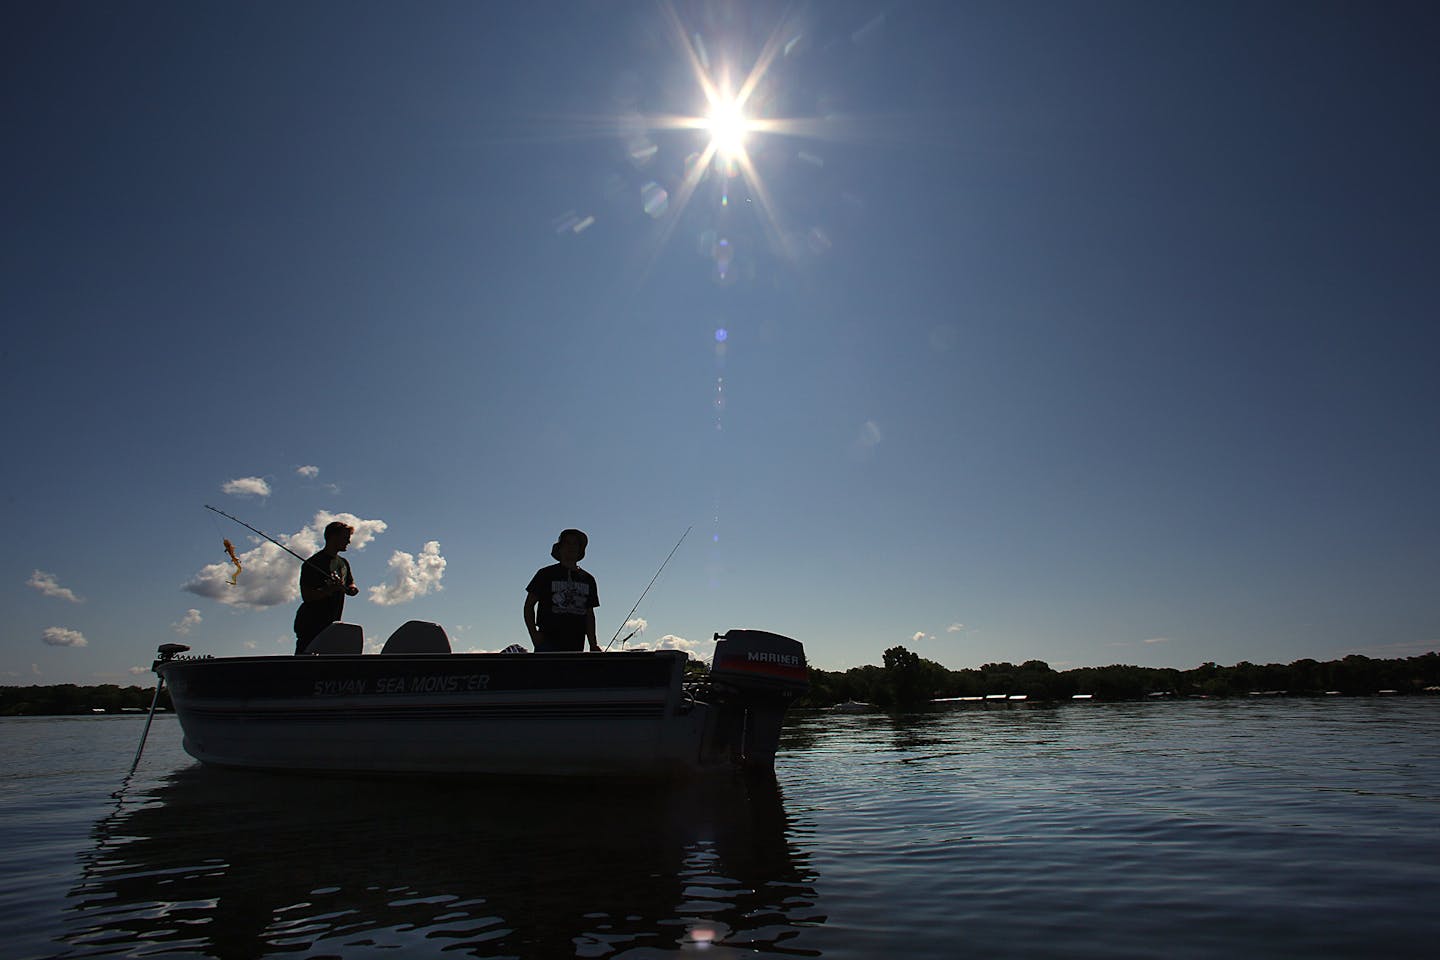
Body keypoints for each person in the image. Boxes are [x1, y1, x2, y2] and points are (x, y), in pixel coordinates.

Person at [524, 528, 600, 652]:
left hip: (576, 643)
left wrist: (593, 644)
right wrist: (534, 634)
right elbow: (529, 605)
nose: (571, 547)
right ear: (560, 548)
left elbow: (589, 614)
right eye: (567, 543)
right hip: (547, 643)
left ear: (580, 549)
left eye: (575, 544)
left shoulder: (588, 579)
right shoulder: (545, 574)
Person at [293, 520, 360, 654]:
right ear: (333, 537)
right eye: (345, 538)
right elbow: (307, 596)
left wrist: (352, 589)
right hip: (310, 624)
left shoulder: (343, 563)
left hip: (332, 623)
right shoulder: (313, 563)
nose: (348, 542)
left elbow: (350, 583)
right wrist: (329, 590)